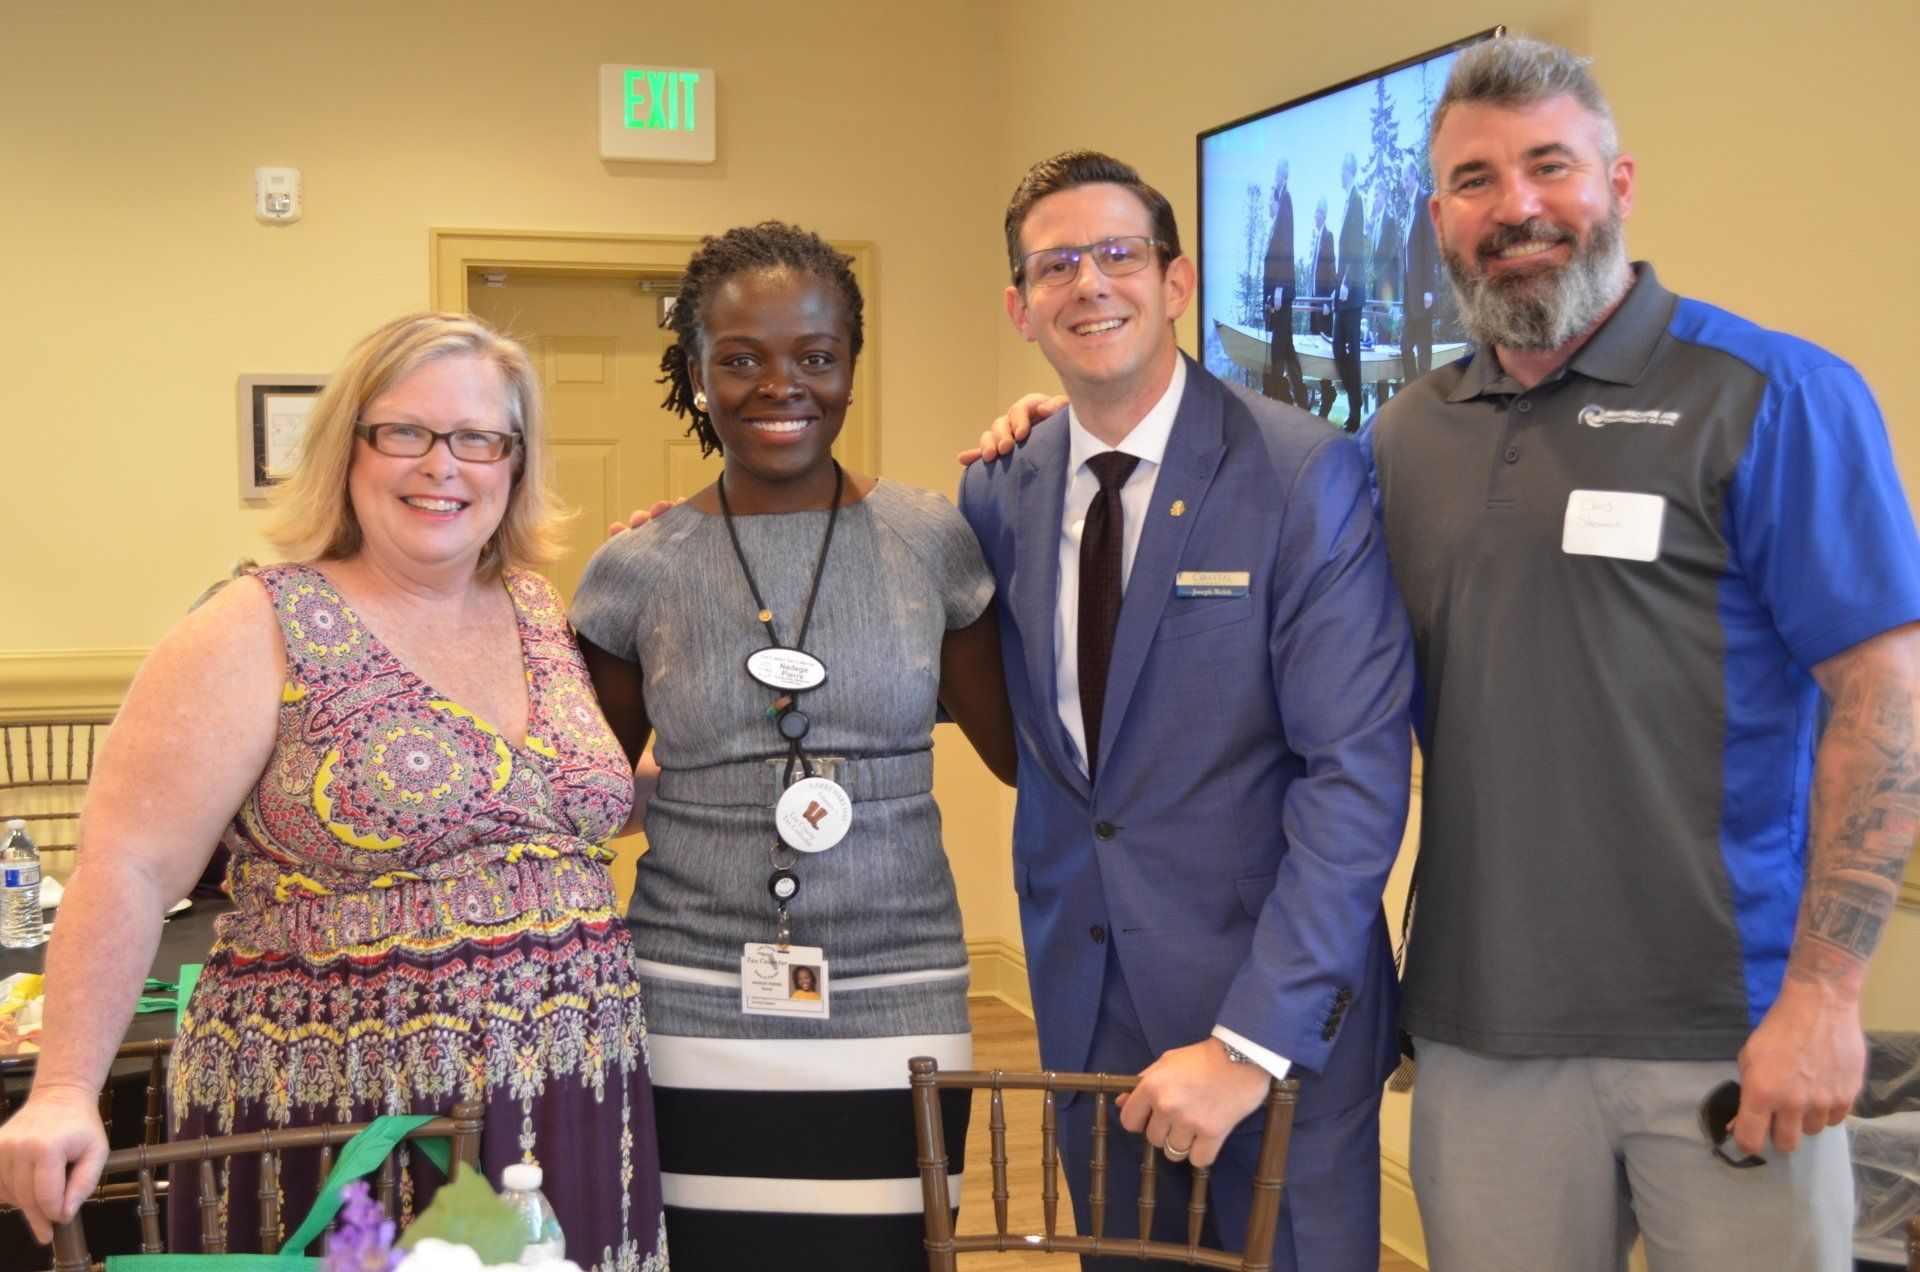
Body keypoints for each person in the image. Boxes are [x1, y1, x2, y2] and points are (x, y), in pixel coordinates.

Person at [1361, 37, 1920, 1271]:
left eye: (1550, 166)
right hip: (1482, 1029)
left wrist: (1827, 1000)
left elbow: (1885, 694)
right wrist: (1069, 435)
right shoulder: (1406, 437)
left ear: (1618, 184)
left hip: (1730, 1029)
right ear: (1440, 219)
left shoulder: (1774, 393)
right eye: (1474, 180)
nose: (1515, 207)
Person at [0, 313, 667, 1270]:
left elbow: (535, 815)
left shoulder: (535, 608)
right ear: (346, 448)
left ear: (515, 463)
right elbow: (131, 865)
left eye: (478, 438)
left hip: (571, 1087)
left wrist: (719, 750)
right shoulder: (256, 622)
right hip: (345, 1109)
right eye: (404, 432)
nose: (442, 465)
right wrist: (65, 1086)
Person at [957, 151, 1412, 1272]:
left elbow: (1353, 778)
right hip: (1090, 1014)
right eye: (1056, 265)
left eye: (1119, 254)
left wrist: (1249, 1045)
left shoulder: (1302, 473)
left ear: (1177, 281)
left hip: (1269, 1029)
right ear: (1019, 309)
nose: (1089, 283)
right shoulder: (1001, 489)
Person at [571, 221, 1017, 1271]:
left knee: (890, 1255)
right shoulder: (636, 569)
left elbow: (1022, 755)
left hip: (900, 982)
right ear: (696, 374)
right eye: (741, 360)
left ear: (852, 367)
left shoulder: (932, 540)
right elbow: (582, 802)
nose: (782, 386)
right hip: (690, 986)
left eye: (816, 356)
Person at [1261, 158, 1307, 408]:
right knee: (1286, 349)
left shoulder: (1286, 199)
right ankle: (1302, 400)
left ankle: (1280, 402)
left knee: (1279, 350)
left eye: (1277, 173)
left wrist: (1279, 288)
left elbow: (1287, 245)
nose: (1275, 177)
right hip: (1277, 294)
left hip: (1282, 292)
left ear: (1283, 175)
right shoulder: (1275, 220)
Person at [1332, 152, 1368, 429]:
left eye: (1343, 170)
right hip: (1343, 290)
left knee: (1353, 353)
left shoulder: (1357, 199)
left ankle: (1355, 415)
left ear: (1350, 171)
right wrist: (1337, 286)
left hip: (1352, 290)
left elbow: (1355, 245)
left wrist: (1345, 282)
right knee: (1337, 347)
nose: (1340, 174)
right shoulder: (1347, 202)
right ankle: (1356, 395)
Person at [1399, 160, 1440, 381]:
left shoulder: (1424, 200)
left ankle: (1424, 394)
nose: (1404, 184)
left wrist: (1429, 289)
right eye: (1403, 180)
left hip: (1423, 294)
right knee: (1404, 346)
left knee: (1424, 351)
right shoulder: (1409, 208)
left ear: (1415, 175)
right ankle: (1413, 389)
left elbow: (1428, 248)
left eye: (1406, 179)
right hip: (1409, 295)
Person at [1368, 180, 1404, 408]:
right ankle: (1381, 405)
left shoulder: (1389, 222)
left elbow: (1391, 264)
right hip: (1377, 300)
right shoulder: (1376, 225)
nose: (1375, 200)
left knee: (1385, 350)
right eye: (1374, 196)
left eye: (1378, 196)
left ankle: (1386, 405)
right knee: (1378, 350)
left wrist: (1394, 303)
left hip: (1388, 300)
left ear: (1385, 197)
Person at [1308, 197, 1339, 418]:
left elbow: (1331, 269)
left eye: (1319, 212)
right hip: (1313, 302)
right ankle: (1325, 392)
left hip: (1323, 304)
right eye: (1315, 212)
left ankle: (1329, 393)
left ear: (1324, 215)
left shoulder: (1328, 237)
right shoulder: (1316, 238)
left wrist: (1328, 301)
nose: (1316, 216)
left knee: (1323, 349)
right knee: (1315, 349)